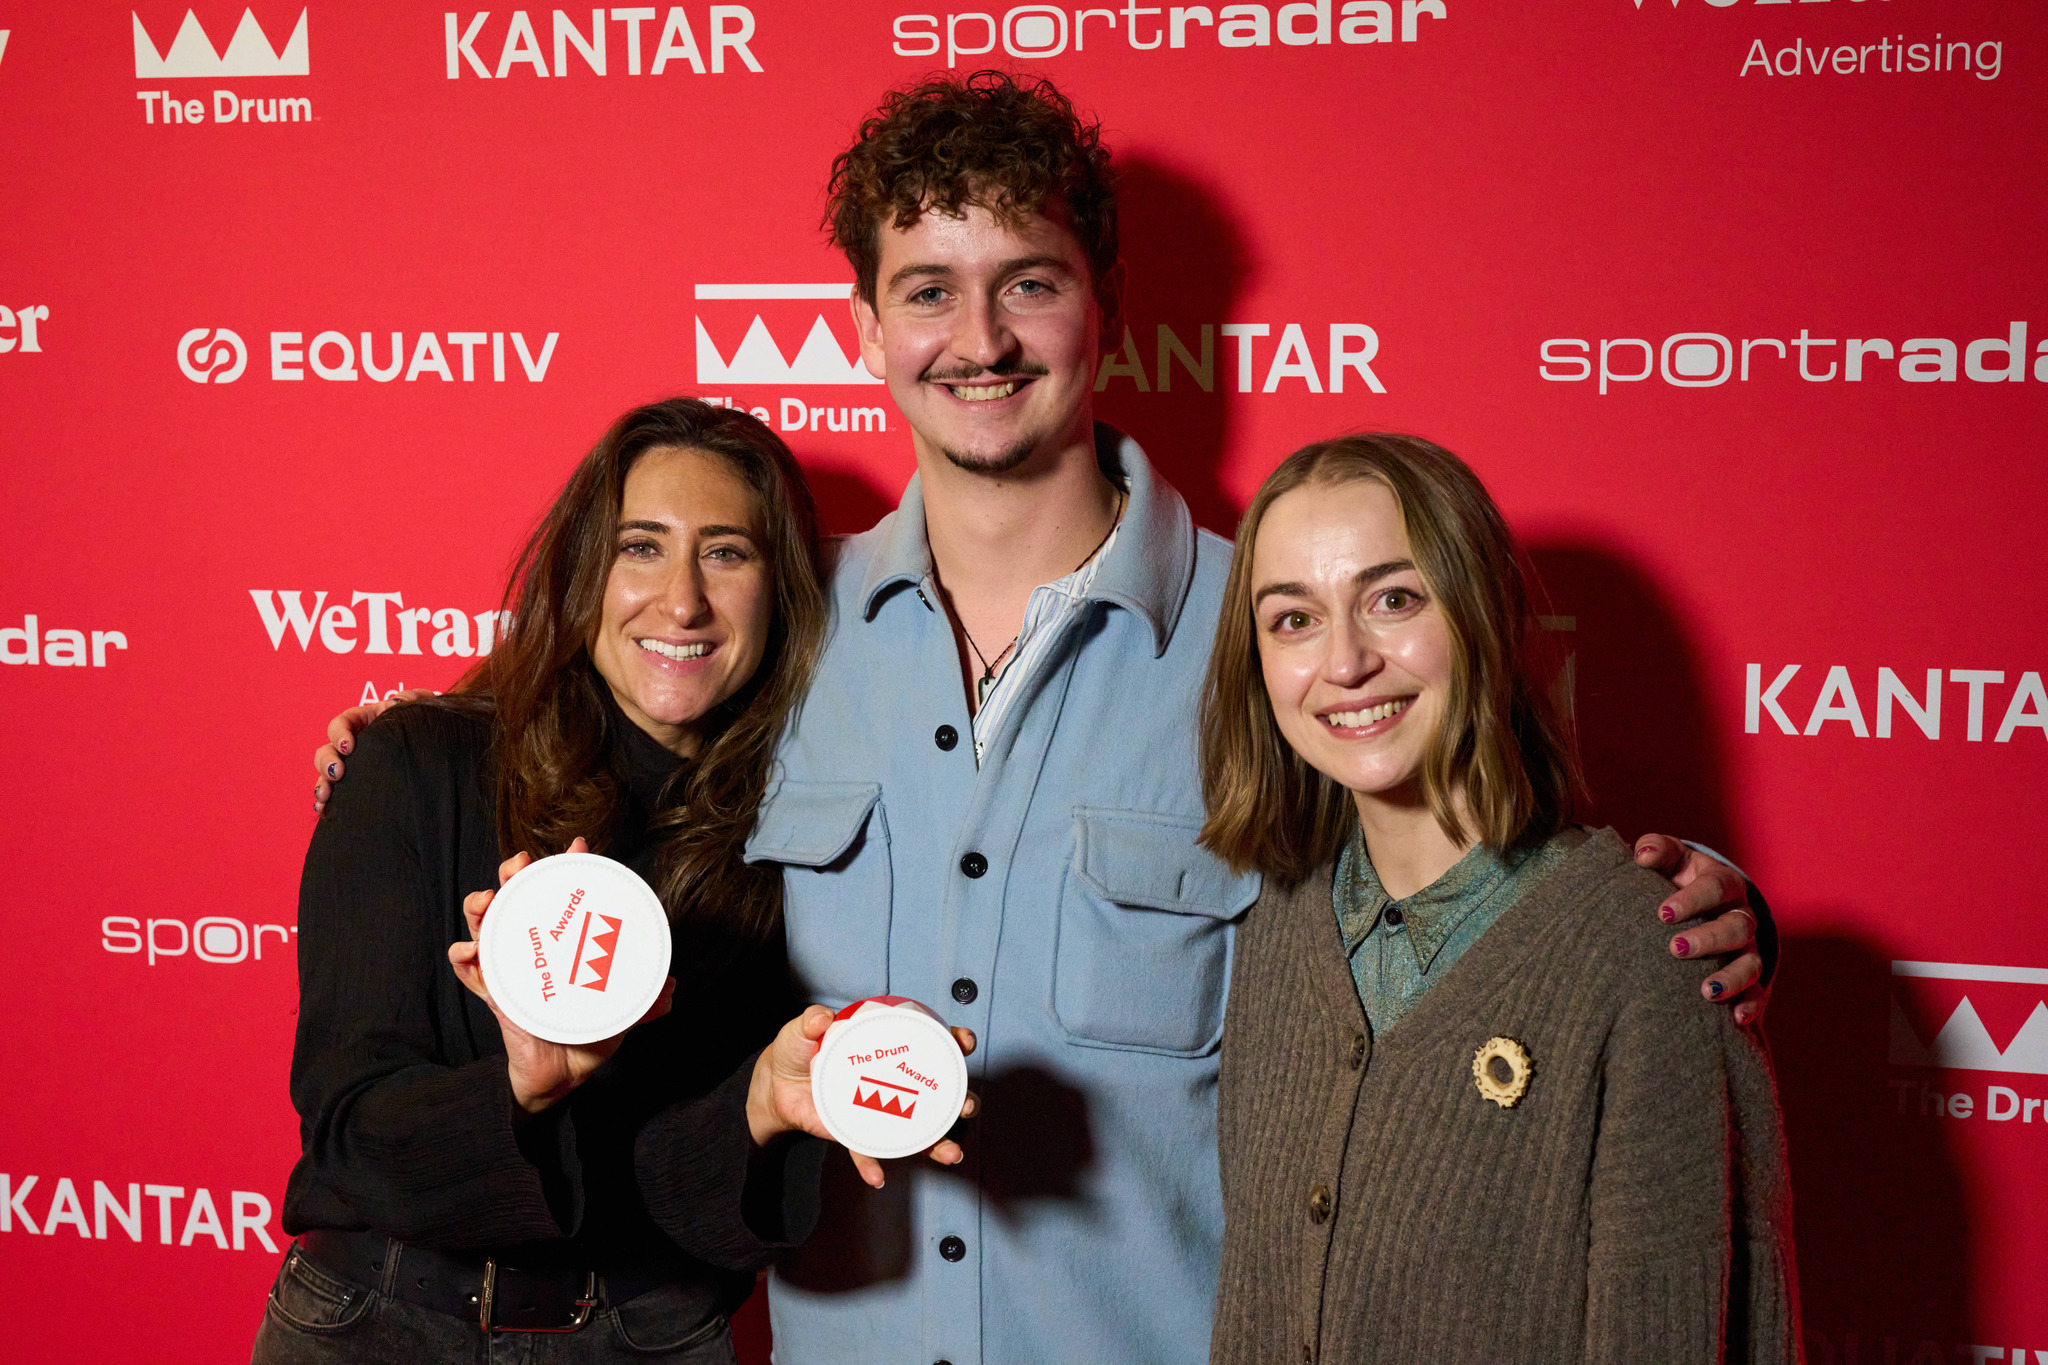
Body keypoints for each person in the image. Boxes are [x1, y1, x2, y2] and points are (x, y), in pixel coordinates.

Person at [312, 74, 1774, 1365]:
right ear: (865, 327)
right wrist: (409, 746)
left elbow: (1455, 872)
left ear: (1106, 304)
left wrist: (1691, 908)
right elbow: (602, 755)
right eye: (928, 291)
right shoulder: (784, 631)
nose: (980, 339)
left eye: (1027, 282)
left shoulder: (1268, 630)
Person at [257, 399, 972, 1365]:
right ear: (584, 570)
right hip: (373, 1326)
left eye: (727, 553)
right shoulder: (417, 763)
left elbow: (681, 1205)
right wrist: (520, 1088)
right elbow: (348, 1135)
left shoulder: (799, 834)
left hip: (646, 1336)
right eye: (643, 546)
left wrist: (760, 1109)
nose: (682, 601)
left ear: (783, 591)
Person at [1200, 434, 1797, 1364]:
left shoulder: (1646, 957)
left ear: (1479, 609)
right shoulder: (1278, 920)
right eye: (1294, 619)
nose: (1345, 662)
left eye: (1394, 600)